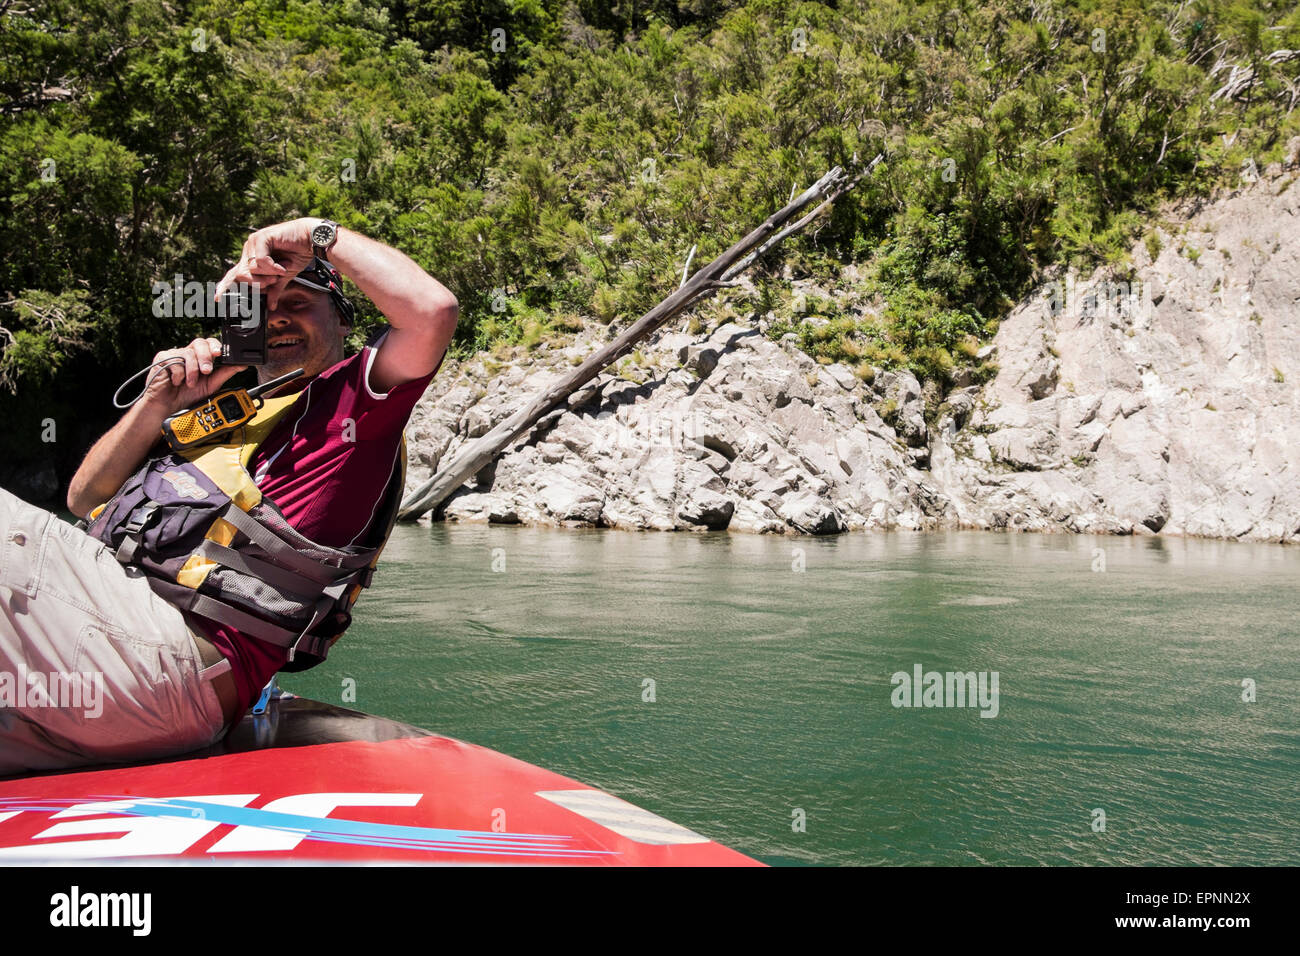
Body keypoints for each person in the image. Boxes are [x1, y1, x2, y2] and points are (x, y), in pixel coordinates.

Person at [0, 218, 457, 775]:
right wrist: (159, 402)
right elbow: (83, 498)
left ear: (342, 318)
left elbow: (431, 312)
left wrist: (312, 233)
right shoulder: (227, 414)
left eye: (299, 300)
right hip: (100, 659)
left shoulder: (355, 413)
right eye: (262, 309)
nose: (278, 316)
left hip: (168, 666)